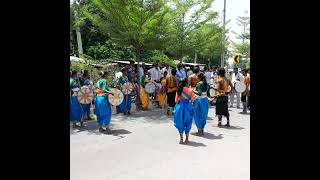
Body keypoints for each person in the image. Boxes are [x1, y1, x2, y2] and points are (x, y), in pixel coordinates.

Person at [173, 78, 195, 144]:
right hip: (188, 107)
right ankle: (187, 139)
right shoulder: (190, 90)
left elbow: (176, 101)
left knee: (180, 122)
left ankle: (181, 139)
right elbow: (192, 100)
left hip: (180, 107)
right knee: (188, 122)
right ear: (186, 83)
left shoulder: (178, 90)